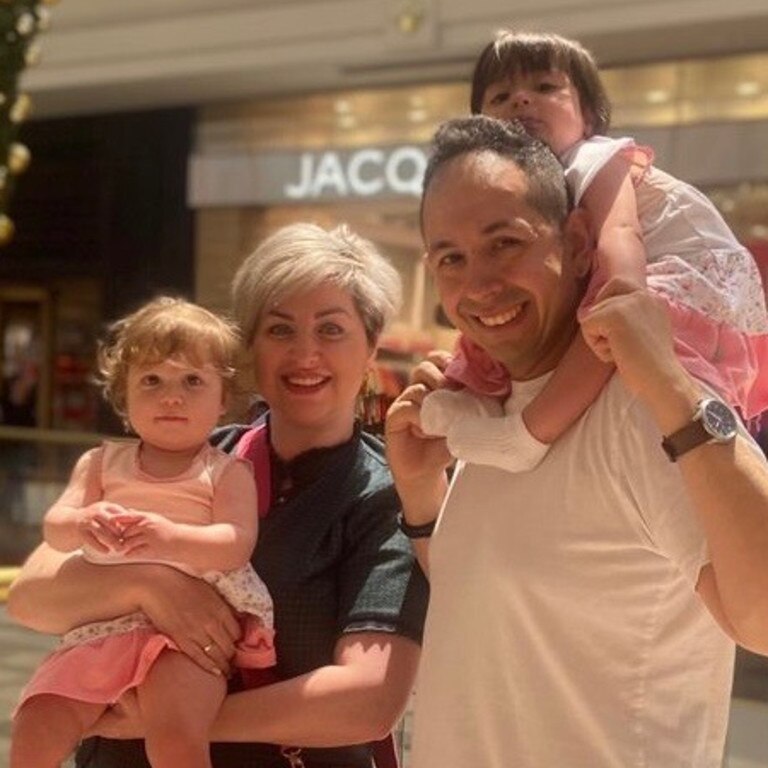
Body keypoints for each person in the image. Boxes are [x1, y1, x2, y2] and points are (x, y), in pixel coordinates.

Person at [385, 115, 768, 768]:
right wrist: (422, 497)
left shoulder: (639, 410)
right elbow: (495, 605)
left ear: (580, 243)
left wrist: (675, 391)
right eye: (451, 257)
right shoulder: (497, 413)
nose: (478, 284)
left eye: (504, 243)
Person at [7, 222, 428, 768]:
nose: (305, 353)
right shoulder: (194, 456)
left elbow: (368, 700)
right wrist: (149, 584)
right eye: (280, 330)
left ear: (371, 346)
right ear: (250, 346)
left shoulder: (385, 496)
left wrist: (173, 721)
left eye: (331, 330)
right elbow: (31, 598)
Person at [419, 30, 768, 473]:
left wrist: (623, 294)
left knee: (603, 331)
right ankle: (470, 403)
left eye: (545, 88)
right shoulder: (535, 183)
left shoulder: (593, 157)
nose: (521, 101)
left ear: (588, 117)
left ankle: (528, 433)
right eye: (501, 94)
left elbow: (620, 232)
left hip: (681, 278)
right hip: (650, 278)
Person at [11, 297, 276, 768]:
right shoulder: (99, 463)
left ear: (222, 401)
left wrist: (170, 537)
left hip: (185, 638)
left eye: (192, 381)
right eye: (152, 380)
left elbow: (236, 542)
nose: (171, 396)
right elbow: (55, 527)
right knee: (37, 719)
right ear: (123, 398)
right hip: (102, 625)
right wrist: (82, 523)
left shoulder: (226, 472)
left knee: (175, 739)